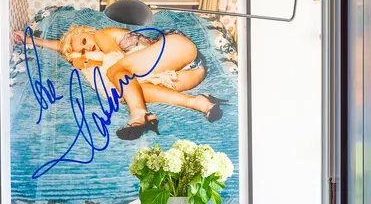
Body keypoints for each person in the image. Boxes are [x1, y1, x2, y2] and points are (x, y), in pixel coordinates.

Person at [13, 23, 225, 141]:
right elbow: (63, 47)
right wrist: (31, 40)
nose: (89, 49)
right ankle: (198, 102)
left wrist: (84, 59)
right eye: (84, 50)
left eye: (85, 42)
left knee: (117, 71)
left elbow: (114, 61)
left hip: (178, 47)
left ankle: (139, 114)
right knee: (131, 89)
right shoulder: (93, 48)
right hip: (190, 73)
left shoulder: (104, 36)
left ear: (89, 31)